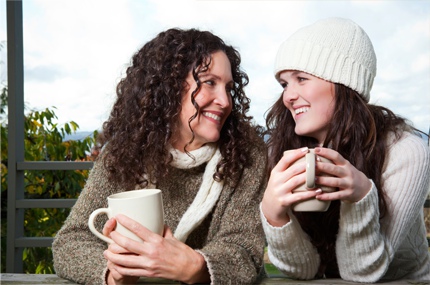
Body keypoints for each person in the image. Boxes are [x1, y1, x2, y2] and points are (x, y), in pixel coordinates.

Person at [52, 28, 268, 285]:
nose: (224, 100)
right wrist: (113, 273)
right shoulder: (125, 152)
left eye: (229, 88)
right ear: (170, 87)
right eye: (209, 82)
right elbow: (69, 241)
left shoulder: (245, 154)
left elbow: (245, 251)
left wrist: (195, 267)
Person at [261, 17, 430, 282]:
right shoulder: (282, 151)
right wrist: (273, 214)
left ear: (345, 84)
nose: (287, 97)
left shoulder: (406, 151)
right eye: (284, 84)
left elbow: (361, 273)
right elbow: (302, 272)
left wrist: (361, 198)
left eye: (301, 79)